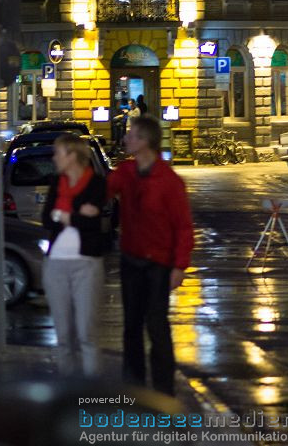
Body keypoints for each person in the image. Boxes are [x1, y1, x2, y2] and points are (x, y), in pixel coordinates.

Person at [107, 114, 194, 396]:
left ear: (145, 141)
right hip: (131, 258)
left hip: (158, 262)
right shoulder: (126, 172)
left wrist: (179, 267)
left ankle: (163, 391)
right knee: (131, 325)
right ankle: (133, 388)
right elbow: (103, 191)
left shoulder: (168, 181)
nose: (125, 139)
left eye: (131, 135)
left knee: (156, 326)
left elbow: (183, 226)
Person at [41, 135, 106, 375]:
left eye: (58, 153)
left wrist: (64, 215)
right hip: (55, 264)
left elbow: (93, 225)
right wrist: (77, 215)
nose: (54, 158)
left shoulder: (96, 183)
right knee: (63, 336)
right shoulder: (57, 182)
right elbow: (47, 218)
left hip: (86, 264)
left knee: (86, 333)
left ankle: (90, 394)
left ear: (71, 155)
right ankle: (67, 394)